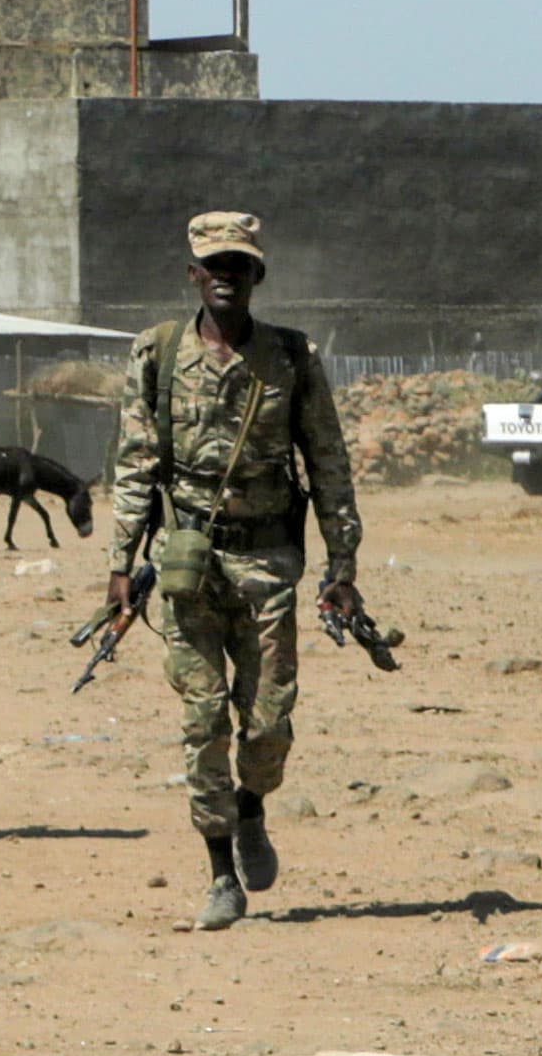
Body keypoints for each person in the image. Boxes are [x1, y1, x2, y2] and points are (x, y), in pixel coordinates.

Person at [104, 211, 362, 930]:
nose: (225, 274)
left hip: (270, 563)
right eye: (213, 263)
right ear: (193, 274)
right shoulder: (156, 354)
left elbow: (329, 463)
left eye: (239, 265)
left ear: (256, 276)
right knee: (203, 718)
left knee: (270, 723)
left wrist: (342, 564)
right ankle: (221, 873)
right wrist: (121, 565)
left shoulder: (292, 358)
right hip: (188, 564)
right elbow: (133, 467)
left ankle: (252, 808)